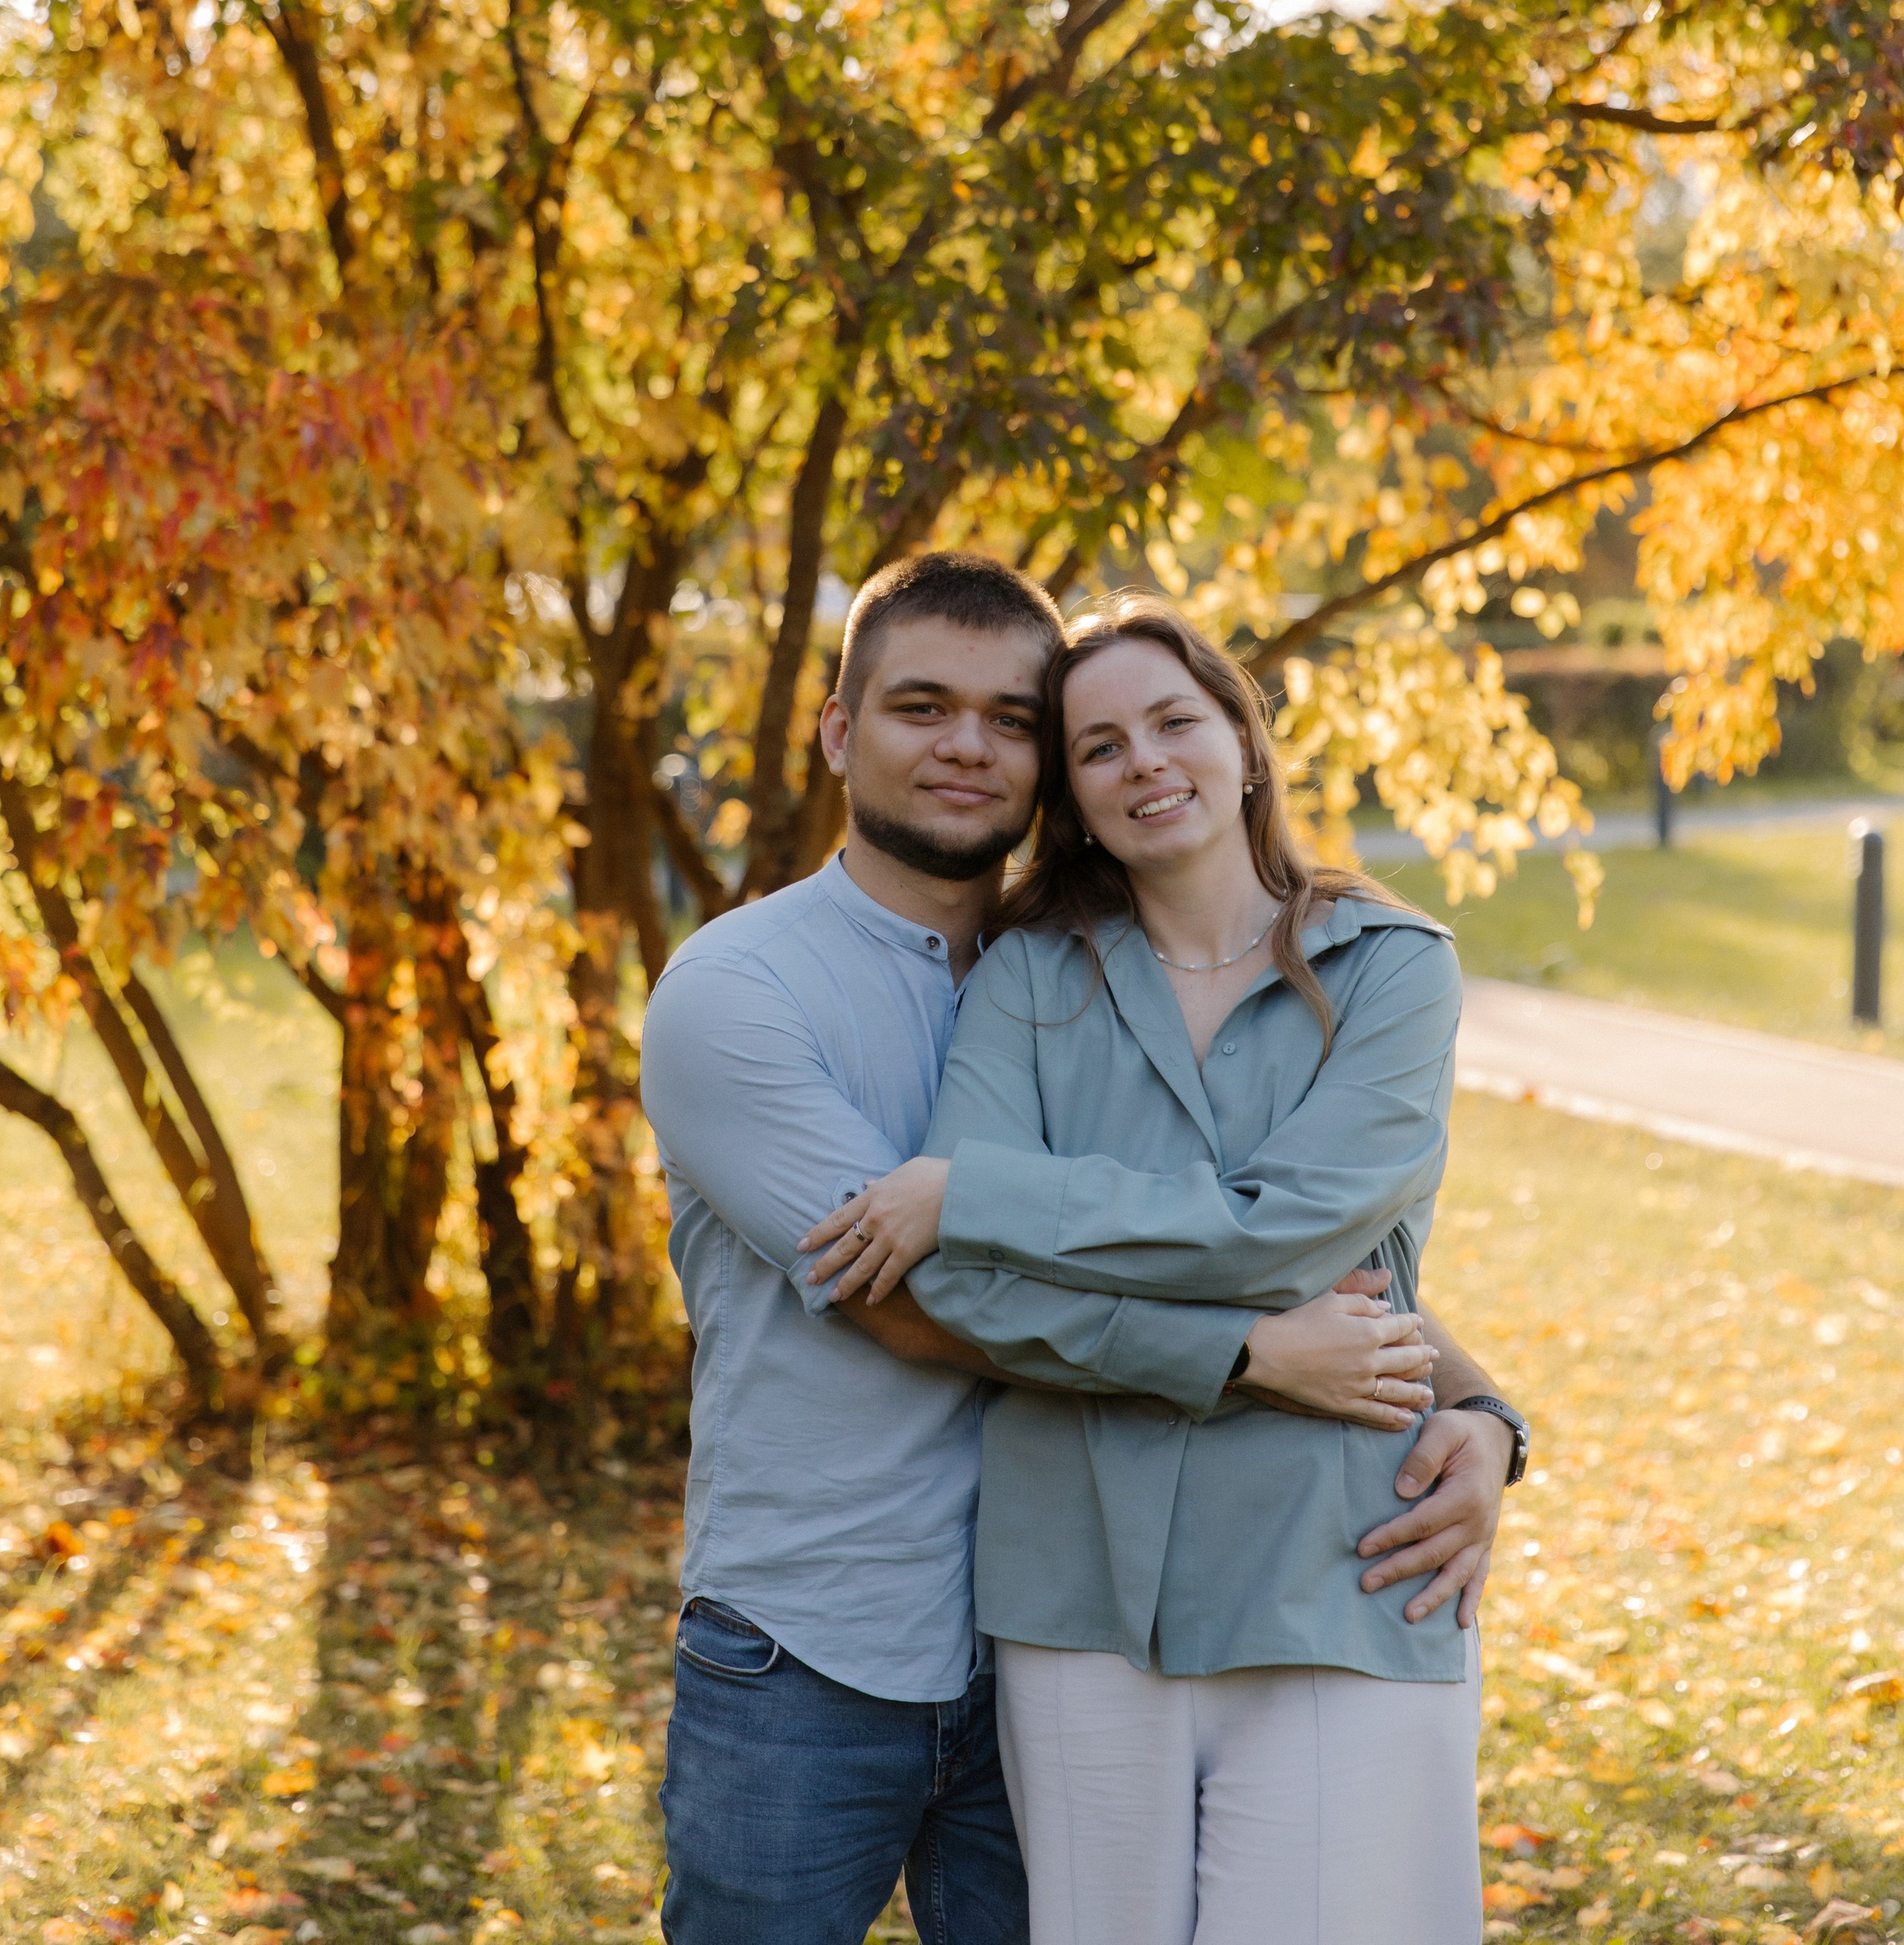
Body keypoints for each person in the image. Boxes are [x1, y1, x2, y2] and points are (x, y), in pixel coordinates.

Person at [642, 554, 1524, 1945]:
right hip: (824, 1644)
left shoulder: (1045, 962)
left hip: (1035, 1628)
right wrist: (1250, 1359)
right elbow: (918, 1297)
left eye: (1009, 719)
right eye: (922, 707)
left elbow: (1283, 1243)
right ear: (838, 732)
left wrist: (1475, 1406)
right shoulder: (741, 994)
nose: (968, 746)